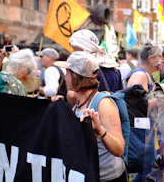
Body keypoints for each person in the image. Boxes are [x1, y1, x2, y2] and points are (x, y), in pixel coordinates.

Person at [54, 51, 126, 181]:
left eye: (68, 72)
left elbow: (119, 149)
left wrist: (100, 130)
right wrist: (58, 110)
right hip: (88, 175)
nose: (65, 77)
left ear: (76, 76)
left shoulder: (103, 103)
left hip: (108, 177)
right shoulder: (78, 101)